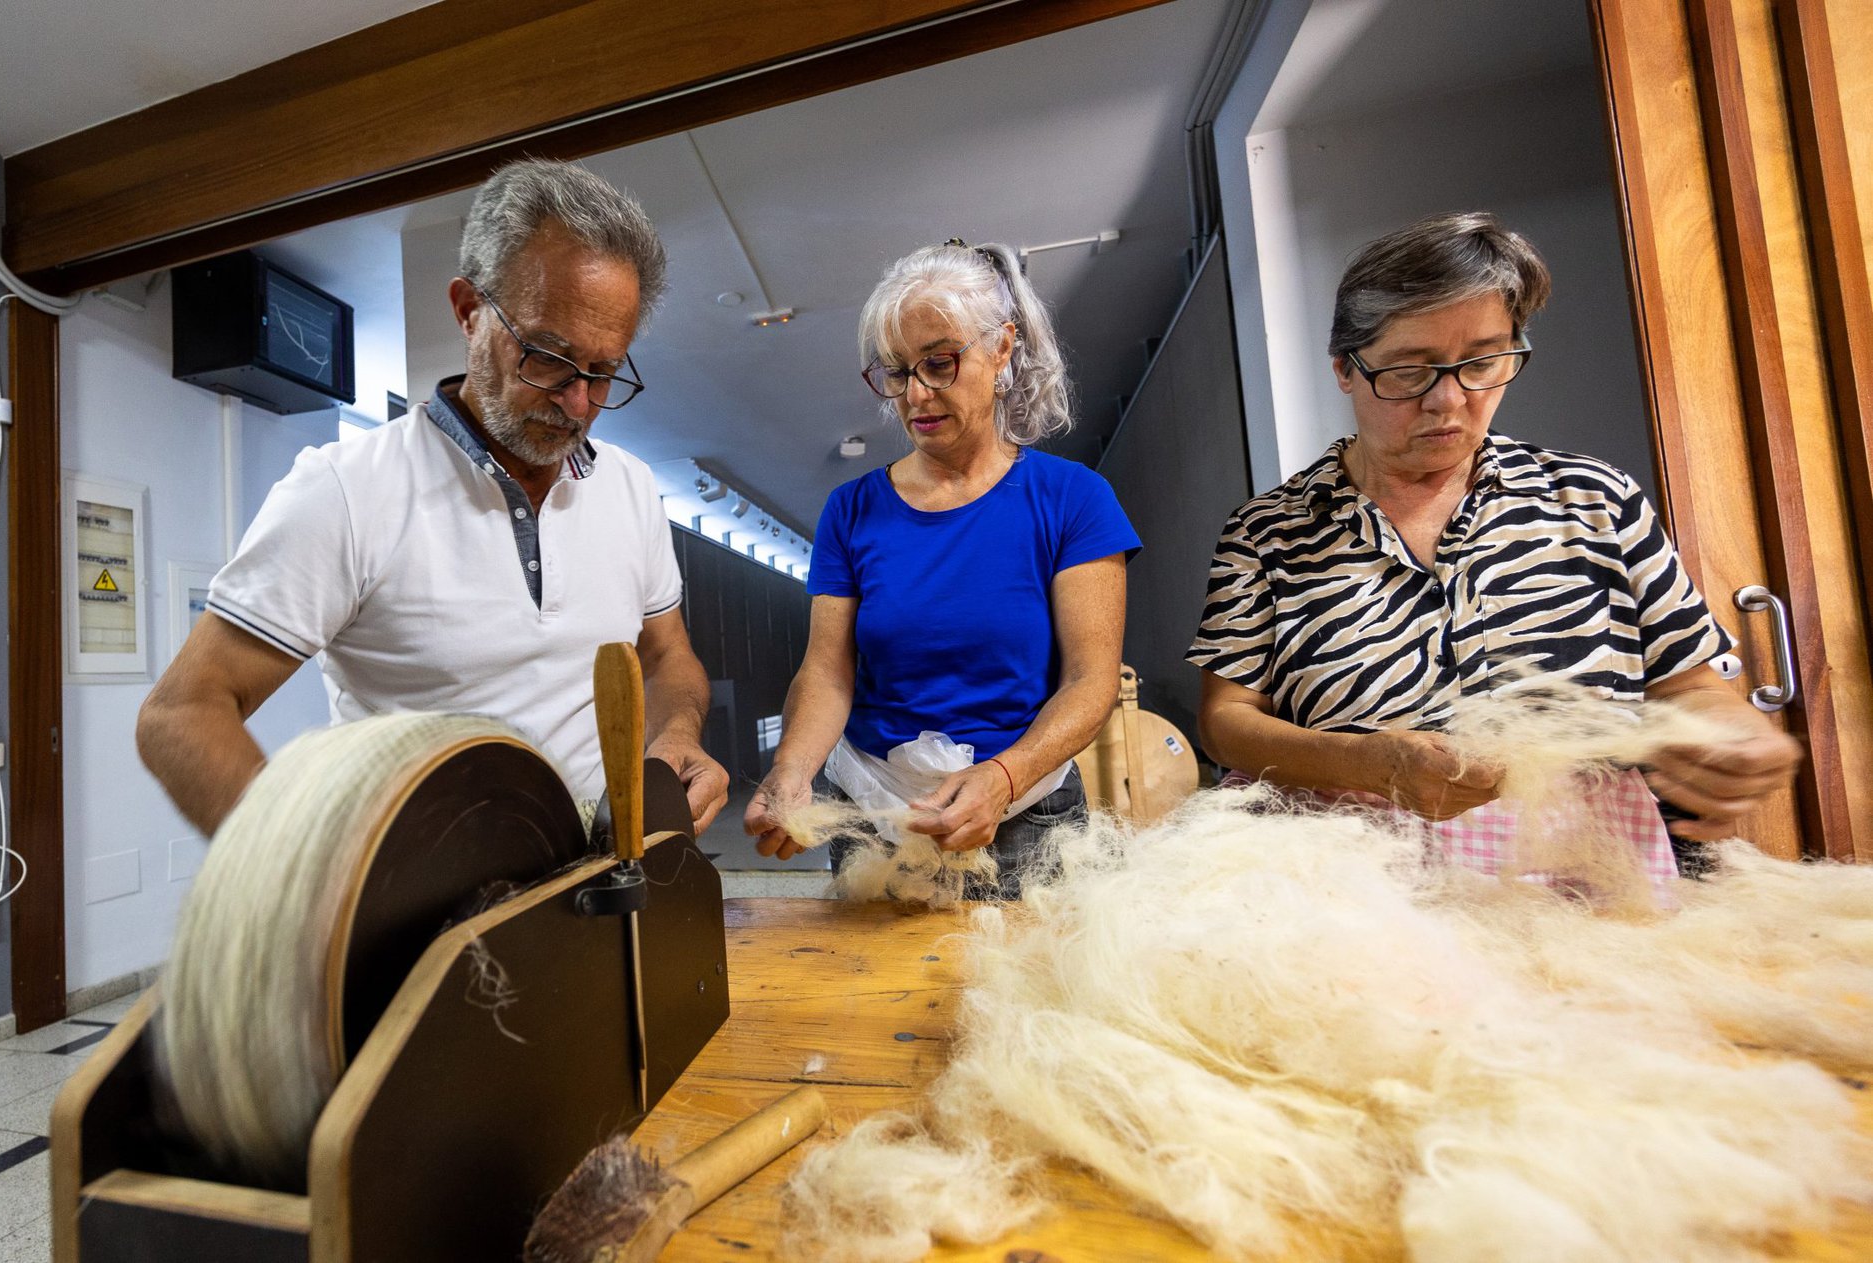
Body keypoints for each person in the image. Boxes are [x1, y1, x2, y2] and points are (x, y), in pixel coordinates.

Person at [1188, 211, 1797, 873]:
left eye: (1482, 362)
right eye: (1409, 371)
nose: (1448, 400)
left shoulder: (1595, 499)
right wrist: (1362, 761)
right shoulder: (1268, 533)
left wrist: (1730, 733)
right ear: (1345, 368)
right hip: (1356, 894)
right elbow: (1227, 719)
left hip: (1589, 876)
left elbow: (1691, 685)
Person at [138, 159, 726, 836]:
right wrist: (310, 880)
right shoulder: (349, 489)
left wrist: (677, 733)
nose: (578, 401)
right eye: (547, 355)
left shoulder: (630, 488)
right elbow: (181, 712)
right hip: (423, 923)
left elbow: (665, 656)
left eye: (603, 371)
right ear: (469, 311)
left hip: (597, 888)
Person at [744, 239, 1139, 896]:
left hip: (1024, 817)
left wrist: (1006, 776)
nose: (916, 395)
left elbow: (1090, 682)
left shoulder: (1073, 502)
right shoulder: (853, 511)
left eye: (940, 363)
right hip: (877, 821)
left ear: (1002, 349)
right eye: (897, 372)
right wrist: (792, 770)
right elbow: (827, 670)